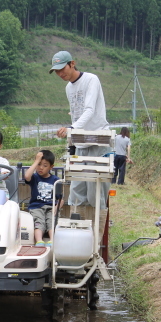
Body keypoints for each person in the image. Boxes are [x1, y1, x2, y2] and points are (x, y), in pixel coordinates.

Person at [51, 50, 111, 210]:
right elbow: (75, 115)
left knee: (95, 193)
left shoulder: (91, 80)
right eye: (56, 71)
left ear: (72, 63)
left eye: (62, 68)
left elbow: (89, 110)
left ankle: (97, 231)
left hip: (98, 140)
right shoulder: (68, 88)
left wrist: (72, 128)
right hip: (81, 143)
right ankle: (78, 229)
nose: (60, 73)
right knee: (76, 192)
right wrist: (72, 133)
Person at [24, 150, 62, 247]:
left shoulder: (56, 180)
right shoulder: (35, 177)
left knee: (51, 220)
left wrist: (56, 208)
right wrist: (36, 161)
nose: (41, 167)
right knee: (38, 221)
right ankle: (39, 241)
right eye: (39, 164)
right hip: (36, 206)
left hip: (51, 206)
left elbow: (61, 199)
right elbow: (27, 175)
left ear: (51, 167)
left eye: (45, 165)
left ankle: (52, 240)